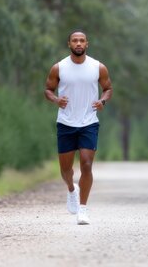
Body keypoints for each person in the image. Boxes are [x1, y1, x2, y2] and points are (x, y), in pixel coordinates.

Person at [44, 31, 113, 225]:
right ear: (69, 44)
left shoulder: (98, 67)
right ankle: (71, 190)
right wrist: (57, 100)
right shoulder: (59, 67)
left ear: (87, 44)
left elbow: (108, 89)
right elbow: (48, 89)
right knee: (66, 170)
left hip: (89, 122)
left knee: (86, 164)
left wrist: (102, 101)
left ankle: (83, 209)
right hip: (66, 122)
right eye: (75, 40)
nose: (78, 43)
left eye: (82, 40)